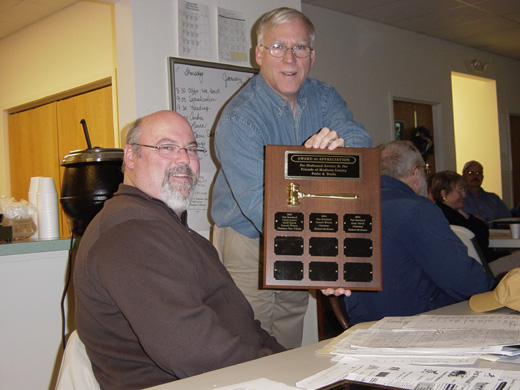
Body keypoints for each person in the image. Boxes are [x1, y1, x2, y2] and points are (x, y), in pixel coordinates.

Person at [73, 110, 285, 390]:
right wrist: (280, 373)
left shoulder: (169, 229)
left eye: (191, 149)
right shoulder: (130, 235)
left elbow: (246, 326)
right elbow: (193, 349)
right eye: (167, 147)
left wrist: (287, 360)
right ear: (131, 157)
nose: (184, 159)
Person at [210, 7, 371, 348]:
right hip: (247, 239)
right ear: (259, 54)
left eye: (299, 48)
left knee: (288, 332)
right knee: (247, 341)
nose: (289, 58)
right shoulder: (239, 119)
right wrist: (325, 259)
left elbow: (361, 143)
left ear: (312, 56)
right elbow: (262, 205)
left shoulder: (324, 97)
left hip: (301, 227)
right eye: (277, 47)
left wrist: (340, 148)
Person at [342, 141, 495, 326]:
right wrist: (498, 292)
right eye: (425, 170)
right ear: (415, 174)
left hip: (364, 323)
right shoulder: (417, 209)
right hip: (417, 324)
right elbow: (462, 279)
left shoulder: (347, 207)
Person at [430, 171, 491, 259]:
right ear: (444, 194)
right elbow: (481, 241)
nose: (465, 195)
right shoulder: (451, 217)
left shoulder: (437, 212)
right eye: (460, 191)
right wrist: (466, 216)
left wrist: (463, 213)